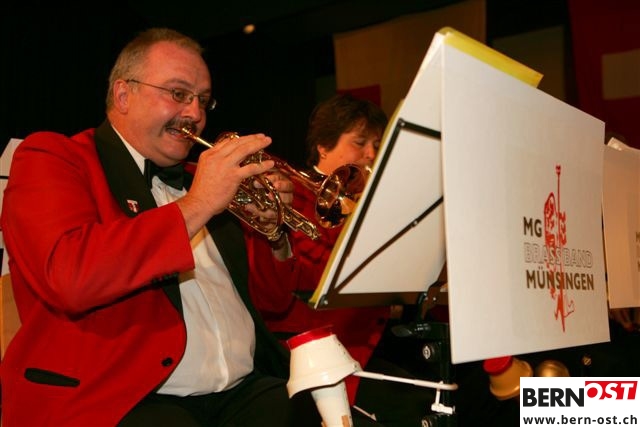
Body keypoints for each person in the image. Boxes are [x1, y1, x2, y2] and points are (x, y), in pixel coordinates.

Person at [0, 27, 331, 427]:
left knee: (323, 414)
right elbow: (70, 277)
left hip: (243, 390)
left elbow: (273, 303)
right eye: (178, 93)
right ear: (124, 94)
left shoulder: (200, 179)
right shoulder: (54, 157)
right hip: (121, 398)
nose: (195, 114)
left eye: (203, 100)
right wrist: (198, 204)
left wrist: (274, 234)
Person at [250, 93, 437, 426]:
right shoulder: (291, 193)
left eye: (376, 144)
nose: (371, 154)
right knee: (422, 409)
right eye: (359, 143)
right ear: (323, 146)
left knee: (461, 389)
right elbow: (302, 280)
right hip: (323, 350)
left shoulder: (367, 200)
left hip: (378, 338)